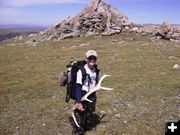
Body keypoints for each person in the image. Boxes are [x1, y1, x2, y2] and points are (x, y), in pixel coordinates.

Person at [72, 50, 100, 135]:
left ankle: (86, 124)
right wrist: (78, 101)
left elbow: (97, 81)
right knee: (80, 112)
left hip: (92, 93)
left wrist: (97, 88)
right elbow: (78, 86)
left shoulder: (96, 70)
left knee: (90, 110)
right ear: (86, 59)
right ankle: (78, 130)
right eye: (90, 58)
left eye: (94, 58)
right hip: (82, 93)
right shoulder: (81, 71)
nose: (92, 60)